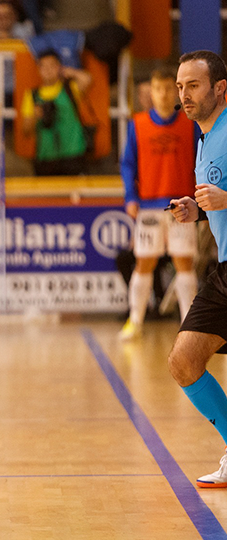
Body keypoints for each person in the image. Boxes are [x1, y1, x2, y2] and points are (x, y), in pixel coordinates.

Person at [168, 50, 227, 489]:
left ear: (220, 89)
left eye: (193, 86)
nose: (183, 95)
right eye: (179, 86)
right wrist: (198, 209)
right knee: (184, 362)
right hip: (225, 270)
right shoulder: (205, 136)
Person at [119, 67, 200, 340]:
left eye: (169, 88)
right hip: (149, 205)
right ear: (149, 92)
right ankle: (135, 320)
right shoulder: (137, 124)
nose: (163, 94)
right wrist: (130, 196)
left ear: (176, 91)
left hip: (183, 206)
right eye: (157, 88)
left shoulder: (190, 124)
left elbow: (200, 163)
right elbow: (128, 164)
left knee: (184, 265)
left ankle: (189, 326)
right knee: (144, 263)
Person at [19, 50, 92, 176]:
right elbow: (25, 131)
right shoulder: (32, 96)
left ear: (59, 67)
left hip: (73, 154)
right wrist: (35, 116)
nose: (48, 70)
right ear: (38, 69)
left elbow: (88, 79)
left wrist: (70, 72)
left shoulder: (70, 89)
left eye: (52, 66)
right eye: (43, 66)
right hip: (46, 157)